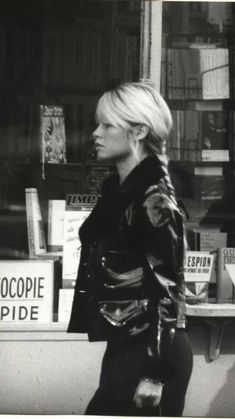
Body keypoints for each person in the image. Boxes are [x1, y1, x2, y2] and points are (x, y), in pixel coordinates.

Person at [67, 81, 193, 416]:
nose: (95, 133)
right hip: (127, 343)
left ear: (137, 131)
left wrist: (155, 374)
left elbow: (169, 292)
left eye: (106, 125)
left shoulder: (154, 201)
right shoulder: (120, 192)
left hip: (153, 352)